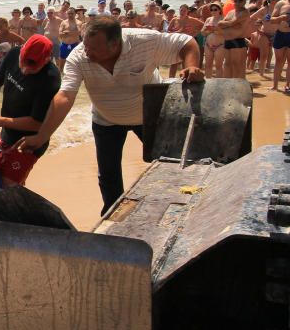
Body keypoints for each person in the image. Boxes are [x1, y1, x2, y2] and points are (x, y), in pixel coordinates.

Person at [17, 17, 203, 214]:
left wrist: (191, 66)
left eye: (93, 48)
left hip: (148, 116)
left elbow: (186, 43)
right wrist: (42, 136)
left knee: (169, 163)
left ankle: (176, 208)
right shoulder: (79, 57)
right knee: (108, 175)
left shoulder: (145, 42)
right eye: (84, 44)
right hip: (106, 120)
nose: (86, 51)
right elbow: (65, 96)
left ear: (115, 43)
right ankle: (112, 214)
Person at [0, 34, 60, 186]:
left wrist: (0, 121)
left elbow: (37, 123)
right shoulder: (13, 53)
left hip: (30, 141)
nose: (25, 71)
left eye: (33, 68)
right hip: (7, 133)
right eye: (23, 64)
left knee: (6, 186)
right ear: (22, 52)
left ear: (47, 60)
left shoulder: (50, 78)